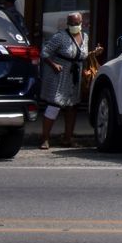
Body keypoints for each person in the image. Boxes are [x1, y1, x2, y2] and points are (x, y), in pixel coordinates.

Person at [39, 12, 94, 148]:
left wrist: (92, 55)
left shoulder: (85, 36)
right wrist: (54, 64)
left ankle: (68, 138)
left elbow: (81, 54)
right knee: (55, 104)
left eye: (76, 23)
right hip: (60, 74)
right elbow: (44, 53)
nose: (74, 26)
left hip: (74, 75)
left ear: (82, 23)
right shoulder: (60, 37)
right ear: (67, 23)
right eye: (71, 23)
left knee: (72, 106)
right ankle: (45, 139)